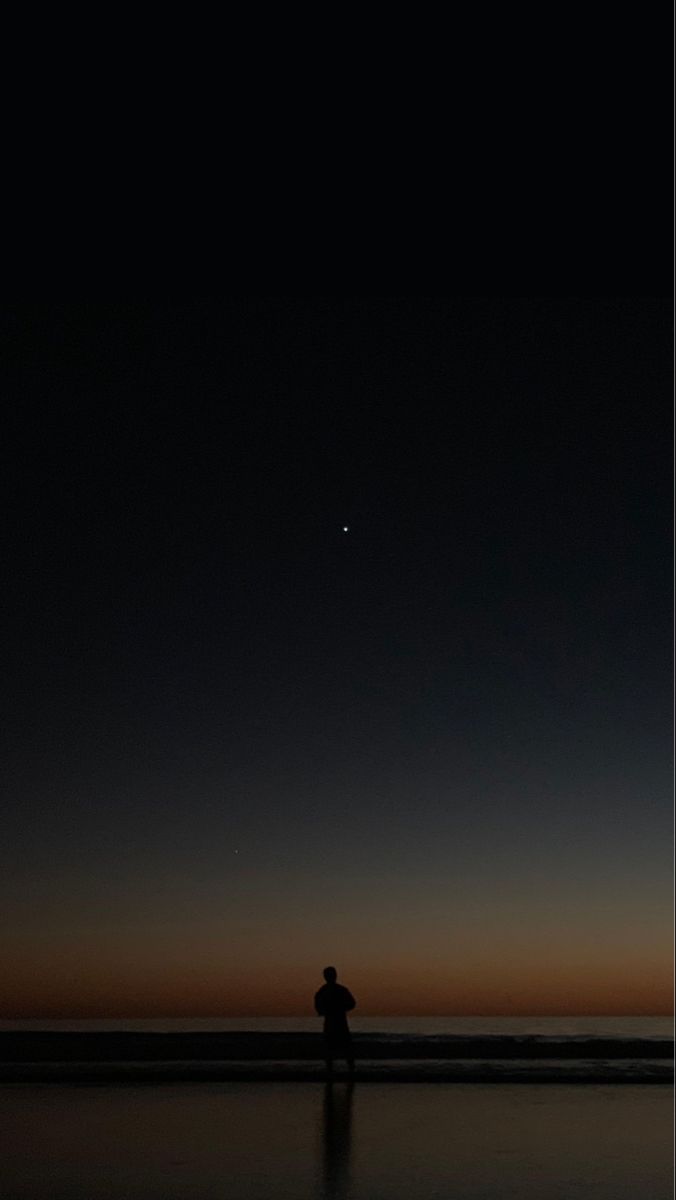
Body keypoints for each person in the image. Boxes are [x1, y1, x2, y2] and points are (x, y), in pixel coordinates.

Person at [314, 966, 356, 1075]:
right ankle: (349, 1071)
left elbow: (318, 1007)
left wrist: (325, 1010)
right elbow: (352, 1004)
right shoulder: (339, 990)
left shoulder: (323, 991)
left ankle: (333, 1071)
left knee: (334, 1049)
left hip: (334, 1023)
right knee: (343, 1048)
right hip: (338, 1022)